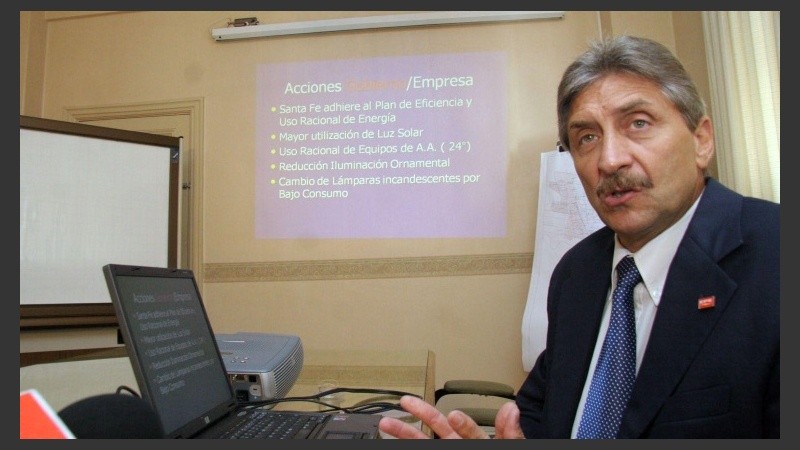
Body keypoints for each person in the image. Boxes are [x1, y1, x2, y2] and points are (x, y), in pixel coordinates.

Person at [378, 35, 780, 439]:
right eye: (587, 138)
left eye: (638, 123)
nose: (610, 160)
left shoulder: (776, 256)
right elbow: (537, 417)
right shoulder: (576, 272)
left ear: (701, 140)